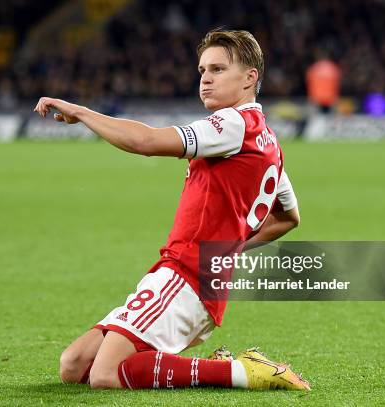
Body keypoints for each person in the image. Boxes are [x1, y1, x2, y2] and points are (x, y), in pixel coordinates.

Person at [34, 29, 308, 391]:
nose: (206, 79)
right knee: (74, 365)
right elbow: (289, 217)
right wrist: (228, 250)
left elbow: (147, 141)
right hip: (193, 273)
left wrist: (81, 112)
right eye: (202, 70)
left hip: (186, 275)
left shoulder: (233, 123)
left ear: (250, 77)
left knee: (105, 375)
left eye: (218, 69)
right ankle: (221, 367)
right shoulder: (266, 138)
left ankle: (242, 372)